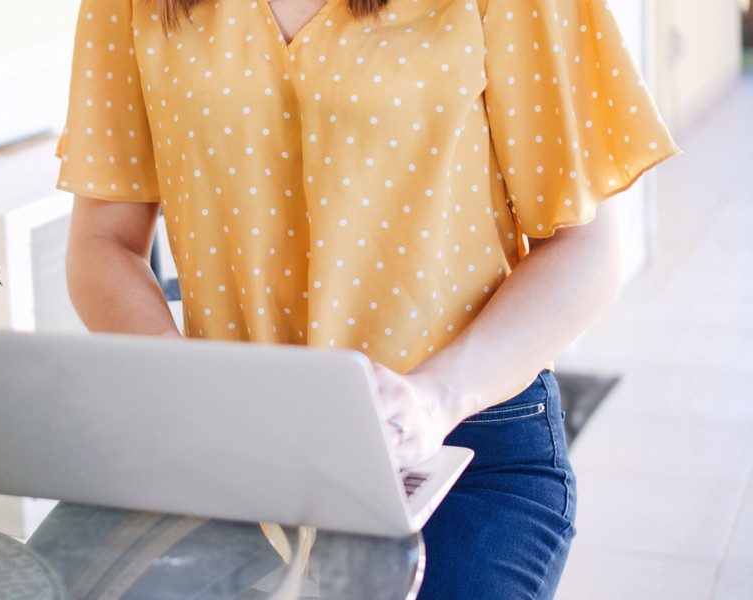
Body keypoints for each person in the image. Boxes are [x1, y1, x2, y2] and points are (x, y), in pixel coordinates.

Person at [56, 0, 679, 597]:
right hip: (229, 448)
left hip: (458, 443)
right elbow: (102, 244)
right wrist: (183, 380)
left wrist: (435, 400)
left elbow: (586, 248)